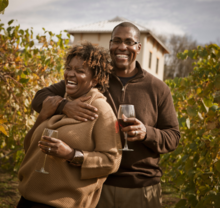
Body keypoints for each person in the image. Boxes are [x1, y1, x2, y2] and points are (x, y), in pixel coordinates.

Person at [31, 22, 180, 208]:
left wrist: (147, 133)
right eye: (116, 41)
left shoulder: (158, 88)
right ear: (110, 45)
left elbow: (173, 136)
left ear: (138, 47)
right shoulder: (94, 77)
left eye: (129, 42)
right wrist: (64, 105)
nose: (122, 47)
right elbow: (40, 98)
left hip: (141, 187)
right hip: (96, 185)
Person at [17, 42, 122, 208]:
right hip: (27, 200)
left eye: (80, 71)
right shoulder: (57, 102)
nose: (70, 74)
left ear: (95, 80)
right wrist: (43, 116)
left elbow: (111, 161)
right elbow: (29, 148)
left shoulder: (101, 110)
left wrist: (72, 154)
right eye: (68, 68)